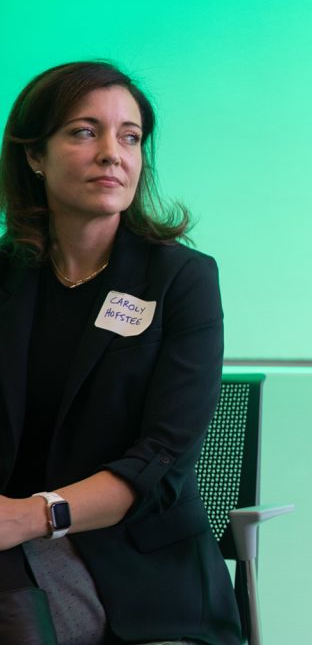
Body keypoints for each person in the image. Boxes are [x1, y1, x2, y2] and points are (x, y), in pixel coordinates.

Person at [0, 62, 241, 644]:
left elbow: (159, 460)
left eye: (129, 137)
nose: (113, 153)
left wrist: (31, 516)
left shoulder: (180, 278)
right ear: (35, 156)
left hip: (135, 564)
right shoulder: (7, 277)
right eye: (85, 132)